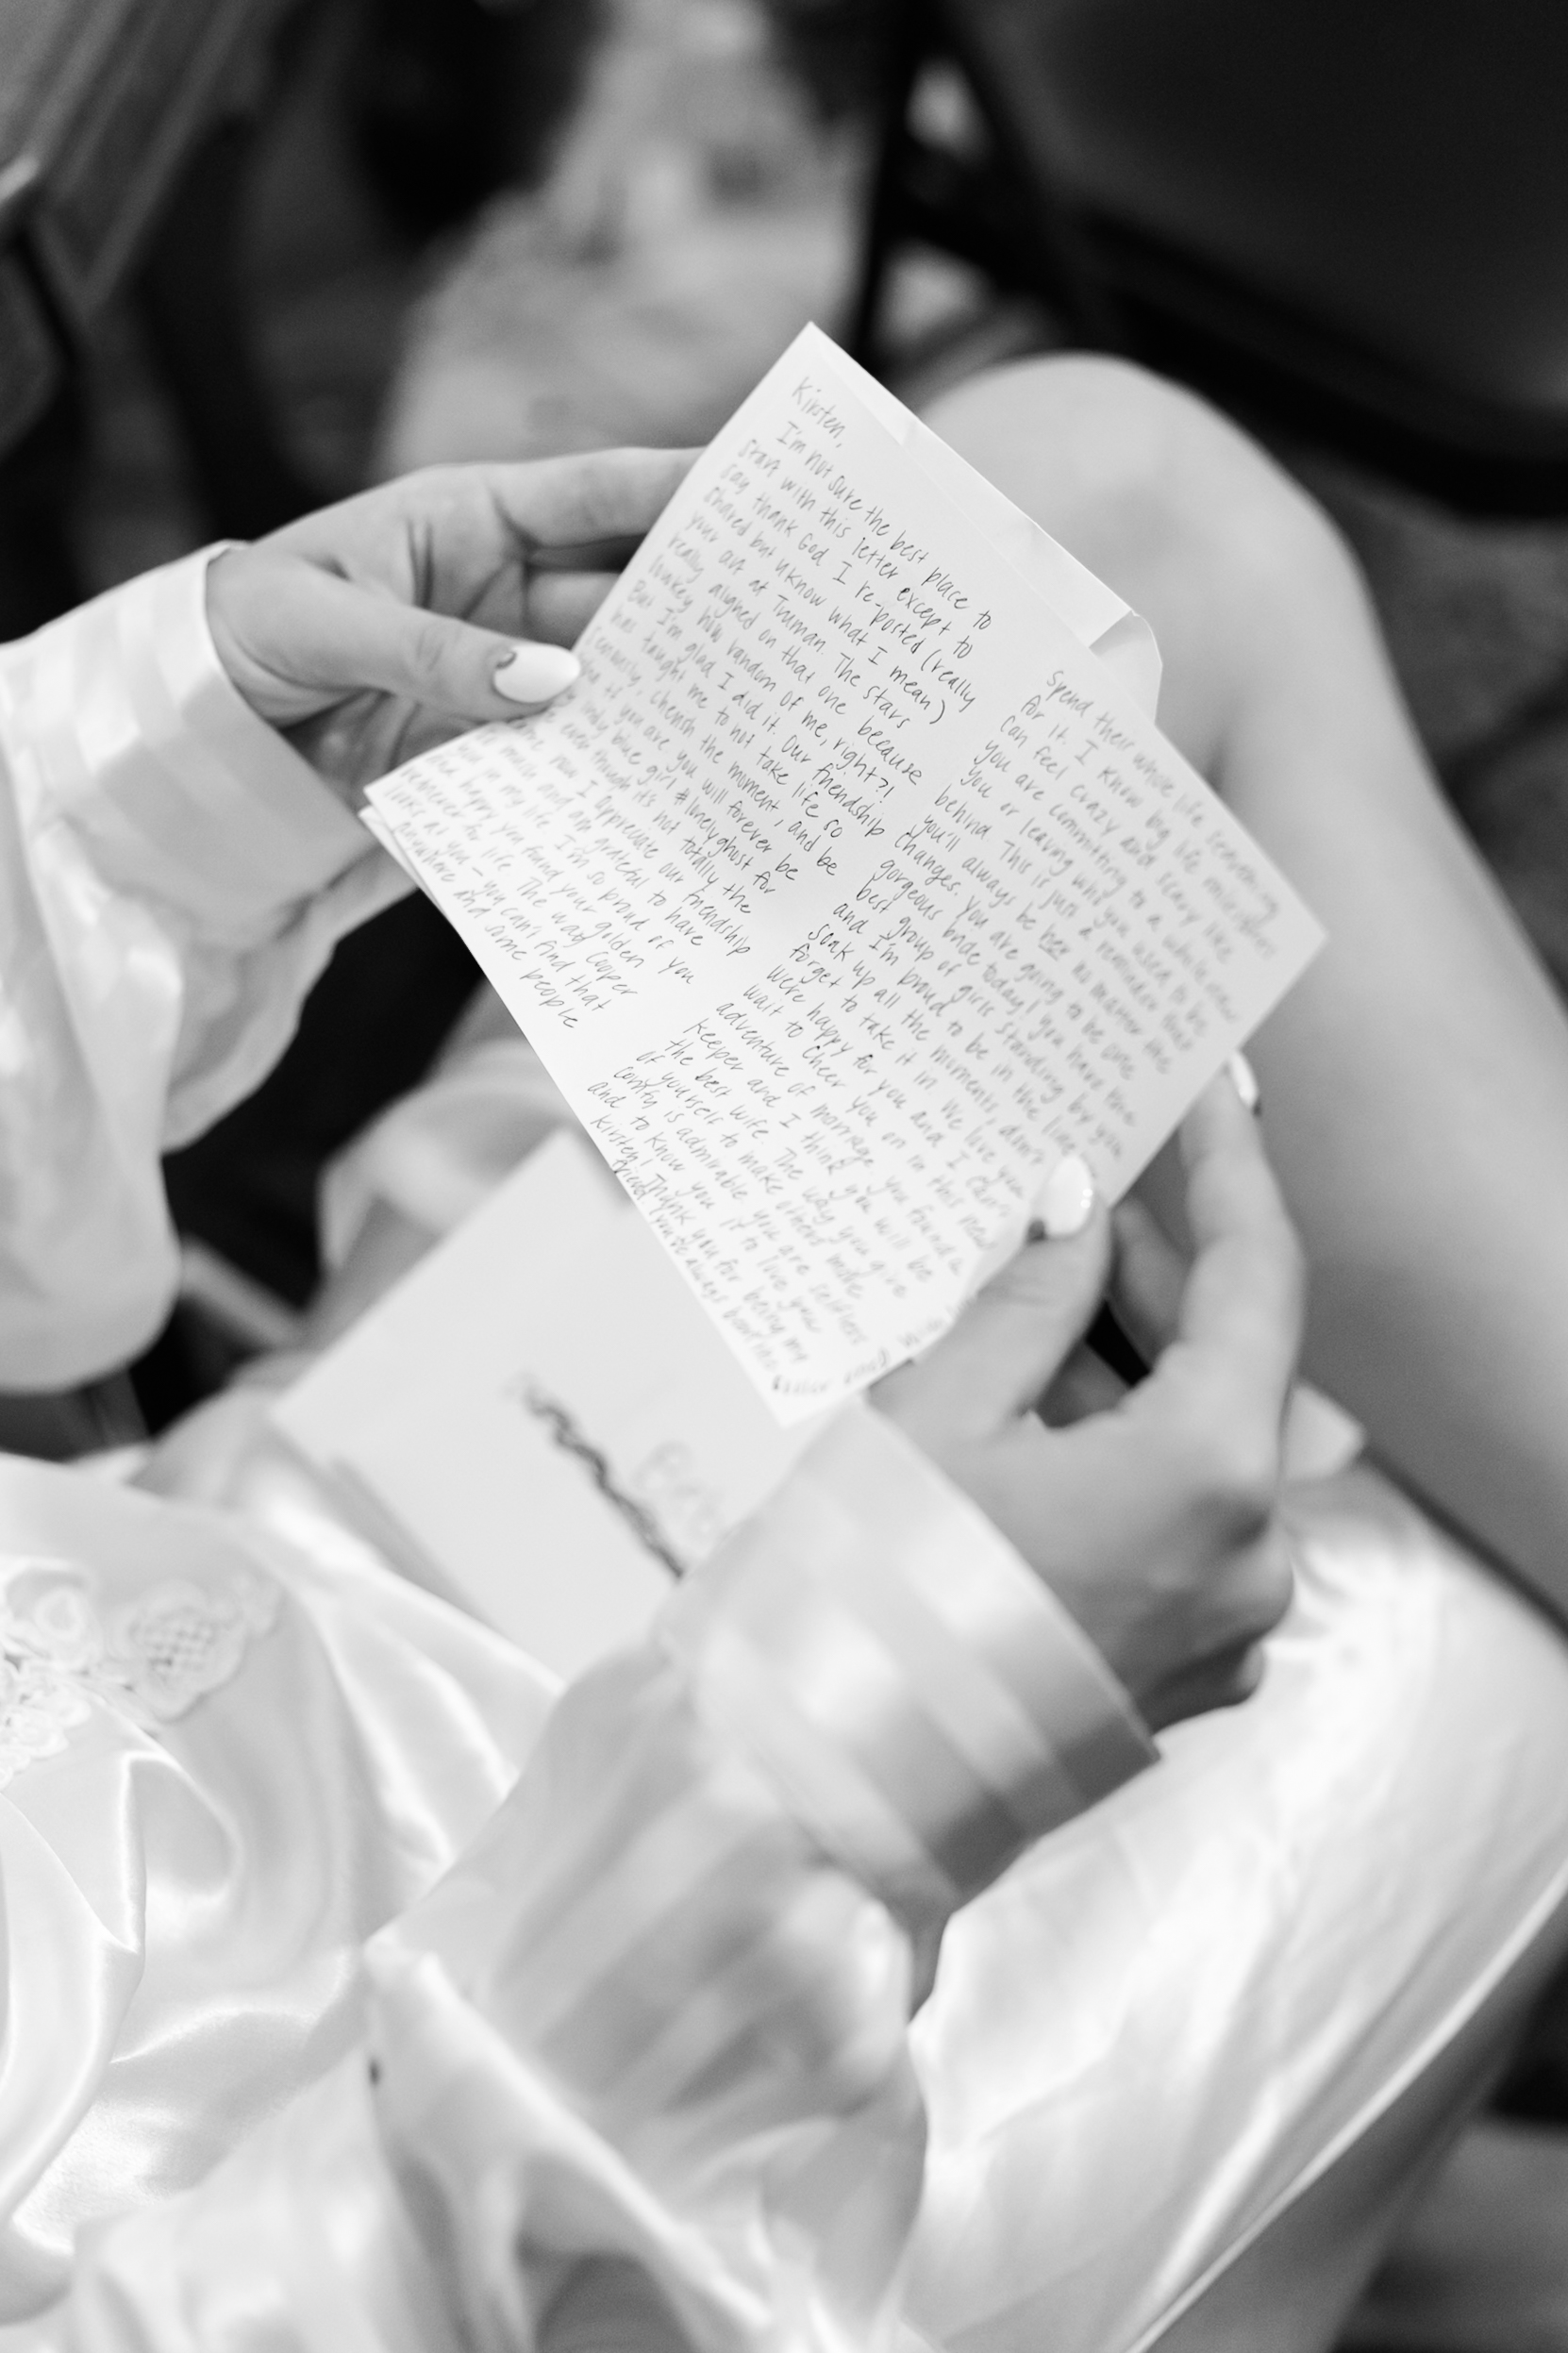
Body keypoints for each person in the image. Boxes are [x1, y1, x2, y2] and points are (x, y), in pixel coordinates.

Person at [0, 370, 1560, 2353]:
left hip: (263, 1594)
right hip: (584, 2092)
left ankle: (1384, 2174)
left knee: (1095, 508)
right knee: (1500, 1608)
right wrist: (872, 1728)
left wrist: (153, 785)